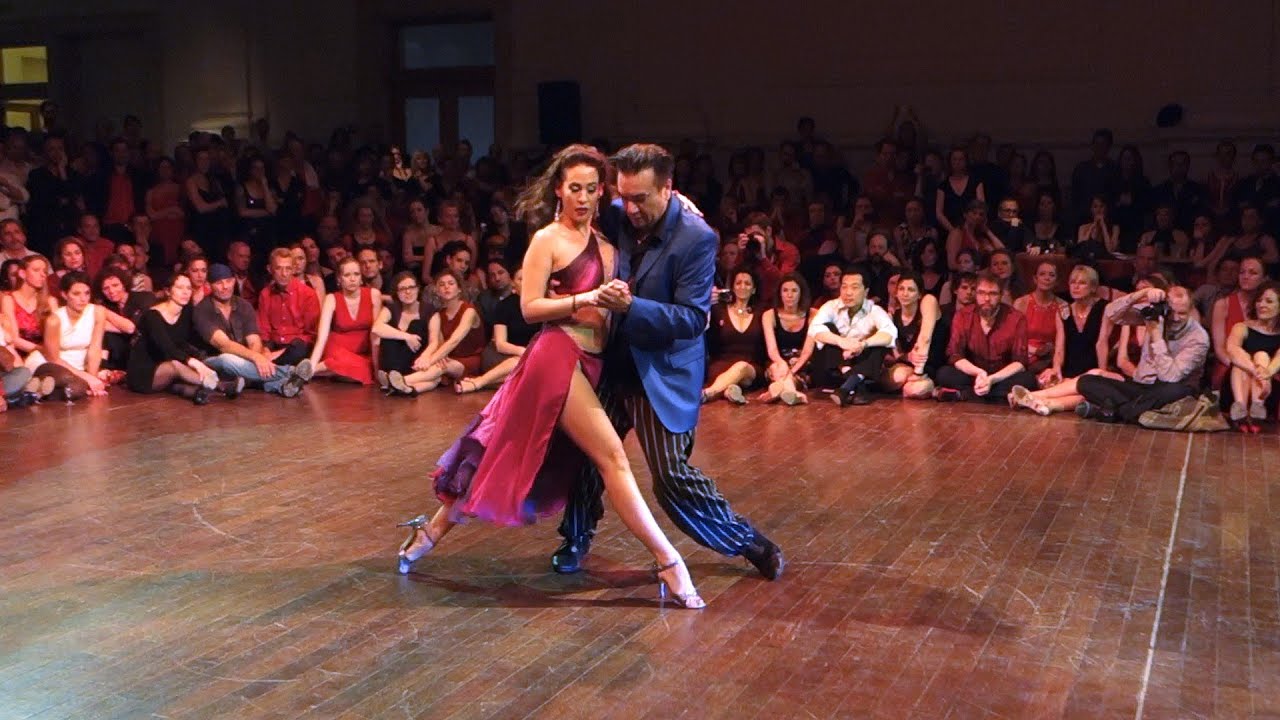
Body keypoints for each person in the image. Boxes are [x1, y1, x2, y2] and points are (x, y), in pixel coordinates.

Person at [394, 144, 706, 609]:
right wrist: (585, 300)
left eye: (592, 188)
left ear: (604, 192)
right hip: (557, 356)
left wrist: (682, 204)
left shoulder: (608, 233)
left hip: (593, 364)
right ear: (558, 189)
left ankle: (431, 531)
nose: (583, 197)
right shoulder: (548, 239)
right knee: (614, 459)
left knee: (501, 447)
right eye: (574, 188)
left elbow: (653, 202)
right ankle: (668, 562)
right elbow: (530, 307)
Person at [553, 143, 783, 584]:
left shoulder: (697, 238)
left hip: (660, 368)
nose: (630, 208)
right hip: (611, 359)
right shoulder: (617, 213)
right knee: (587, 454)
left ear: (669, 189)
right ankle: (576, 537)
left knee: (670, 475)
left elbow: (692, 318)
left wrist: (630, 306)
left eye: (641, 198)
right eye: (624, 196)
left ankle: (748, 542)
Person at [1076, 285, 1210, 424]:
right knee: (1086, 381)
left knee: (1175, 391)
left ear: (1190, 310)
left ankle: (1115, 411)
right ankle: (1131, 411)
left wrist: (1156, 336)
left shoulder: (1198, 338)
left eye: (1182, 313)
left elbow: (1170, 377)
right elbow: (1111, 313)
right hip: (1141, 386)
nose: (1175, 318)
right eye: (1171, 312)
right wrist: (1141, 294)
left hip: (1170, 390)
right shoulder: (1156, 316)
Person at [195, 261, 313, 398]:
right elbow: (224, 345)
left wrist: (257, 359)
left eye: (228, 281)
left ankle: (281, 385)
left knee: (251, 367)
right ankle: (289, 373)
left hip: (245, 363)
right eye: (219, 283)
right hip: (213, 363)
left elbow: (254, 341)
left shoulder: (243, 305)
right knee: (226, 359)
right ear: (209, 286)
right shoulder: (202, 310)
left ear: (233, 281)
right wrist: (256, 358)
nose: (225, 287)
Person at [126, 273, 236, 404]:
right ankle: (220, 386)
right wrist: (192, 362)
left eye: (188, 288)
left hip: (166, 362)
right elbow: (166, 346)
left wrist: (202, 358)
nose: (185, 292)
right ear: (168, 291)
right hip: (144, 373)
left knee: (189, 364)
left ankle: (192, 392)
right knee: (176, 365)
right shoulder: (152, 316)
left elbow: (185, 342)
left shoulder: (186, 312)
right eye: (179, 288)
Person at [934, 272, 1037, 402]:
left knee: (1028, 380)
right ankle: (996, 397)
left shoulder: (1016, 318)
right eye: (981, 293)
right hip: (973, 374)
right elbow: (955, 354)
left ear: (1001, 295)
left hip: (1001, 376)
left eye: (993, 294)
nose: (987, 298)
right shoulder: (963, 315)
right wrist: (979, 373)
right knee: (944, 374)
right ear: (975, 294)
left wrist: (992, 379)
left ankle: (966, 395)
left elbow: (1020, 362)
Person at [385, 270, 484, 395]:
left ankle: (400, 380)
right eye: (442, 284)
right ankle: (409, 389)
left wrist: (430, 360)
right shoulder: (439, 314)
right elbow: (440, 342)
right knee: (436, 375)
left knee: (439, 367)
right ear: (437, 290)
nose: (446, 287)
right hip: (447, 357)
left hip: (469, 359)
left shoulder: (469, 311)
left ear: (459, 289)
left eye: (451, 283)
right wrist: (438, 357)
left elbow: (455, 340)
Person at [808, 267, 897, 406]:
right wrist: (841, 342)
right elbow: (814, 329)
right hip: (835, 367)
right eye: (844, 287)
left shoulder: (874, 310)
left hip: (862, 362)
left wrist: (863, 344)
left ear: (866, 291)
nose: (848, 292)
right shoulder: (830, 306)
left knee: (879, 343)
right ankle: (855, 383)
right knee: (827, 329)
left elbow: (890, 334)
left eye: (854, 287)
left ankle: (847, 386)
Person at [454, 267, 540, 393]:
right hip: (501, 355)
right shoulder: (504, 305)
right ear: (512, 283)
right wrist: (525, 352)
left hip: (532, 359)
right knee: (521, 364)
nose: (526, 282)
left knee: (533, 375)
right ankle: (479, 382)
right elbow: (500, 344)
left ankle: (484, 382)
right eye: (521, 279)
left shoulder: (542, 304)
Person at [308, 256, 379, 384]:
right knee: (358, 370)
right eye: (347, 275)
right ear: (339, 279)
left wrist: (377, 367)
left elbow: (376, 334)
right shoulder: (332, 298)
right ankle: (310, 369)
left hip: (362, 352)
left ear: (361, 277)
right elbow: (322, 337)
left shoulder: (373, 294)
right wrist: (313, 361)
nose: (352, 279)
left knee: (364, 370)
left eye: (356, 274)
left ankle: (308, 372)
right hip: (337, 349)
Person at [702, 268, 765, 405]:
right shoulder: (718, 310)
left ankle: (708, 393)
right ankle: (730, 390)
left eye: (747, 284)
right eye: (738, 283)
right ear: (732, 288)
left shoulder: (762, 313)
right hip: (721, 365)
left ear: (753, 289)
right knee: (732, 382)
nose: (742, 286)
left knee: (741, 367)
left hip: (750, 367)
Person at [1224, 281, 1280, 431]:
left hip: (1267, 391)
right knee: (1241, 361)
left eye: (1268, 301)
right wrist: (1258, 372)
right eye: (1259, 300)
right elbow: (1232, 350)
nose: (1261, 305)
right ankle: (1241, 408)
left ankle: (1257, 408)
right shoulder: (1242, 327)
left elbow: (1278, 360)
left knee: (1262, 356)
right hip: (1236, 385)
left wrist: (1266, 374)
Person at [758, 273, 817, 405]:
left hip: (802, 362)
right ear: (780, 293)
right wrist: (782, 364)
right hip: (778, 361)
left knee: (792, 376)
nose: (789, 295)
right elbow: (772, 350)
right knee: (775, 369)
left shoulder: (813, 314)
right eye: (785, 290)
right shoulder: (769, 315)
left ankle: (778, 390)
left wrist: (791, 370)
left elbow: (808, 351)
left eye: (794, 290)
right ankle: (792, 393)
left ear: (801, 293)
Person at [881, 272, 941, 399]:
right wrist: (908, 357)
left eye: (911, 290)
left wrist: (918, 373)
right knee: (900, 376)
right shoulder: (892, 317)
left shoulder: (928, 301)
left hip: (928, 365)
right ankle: (929, 390)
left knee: (916, 388)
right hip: (906, 366)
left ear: (919, 294)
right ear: (896, 292)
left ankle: (922, 387)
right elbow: (897, 354)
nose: (905, 293)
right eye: (901, 289)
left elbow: (925, 338)